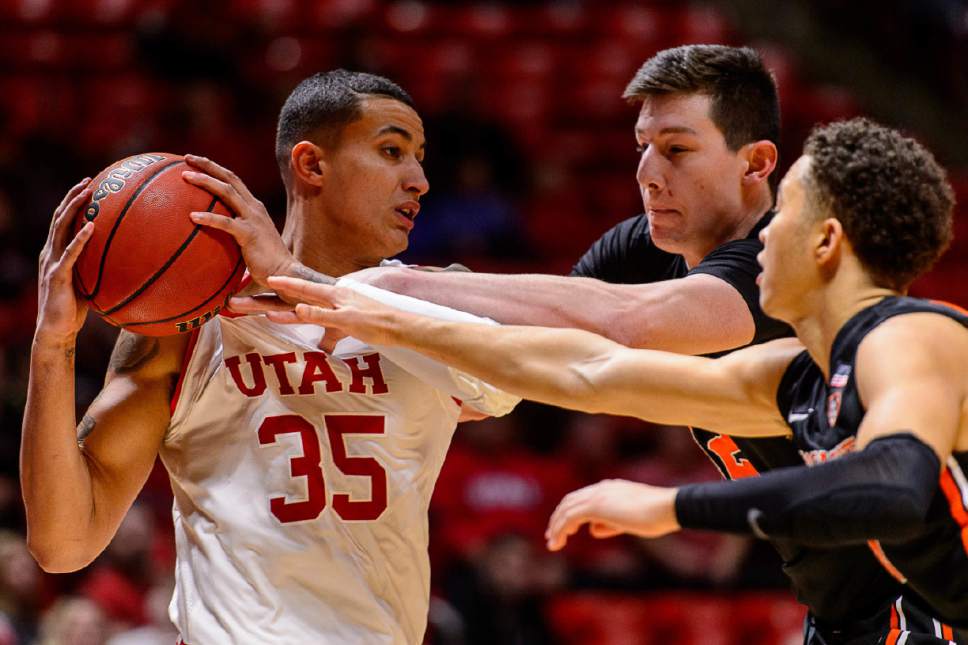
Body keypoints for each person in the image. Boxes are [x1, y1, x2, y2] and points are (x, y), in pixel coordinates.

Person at [233, 45, 906, 639]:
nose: (647, 171)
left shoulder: (785, 264)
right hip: (839, 604)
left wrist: (371, 283)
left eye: (676, 149)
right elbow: (526, 348)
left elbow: (623, 327)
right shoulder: (642, 246)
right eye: (641, 145)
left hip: (916, 589)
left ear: (757, 162)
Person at [22, 70, 519, 644]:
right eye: (392, 151)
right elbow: (63, 544)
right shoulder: (188, 324)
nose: (420, 181)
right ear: (312, 165)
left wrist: (293, 279)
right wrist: (53, 348)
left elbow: (503, 386)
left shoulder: (429, 299)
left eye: (420, 158)